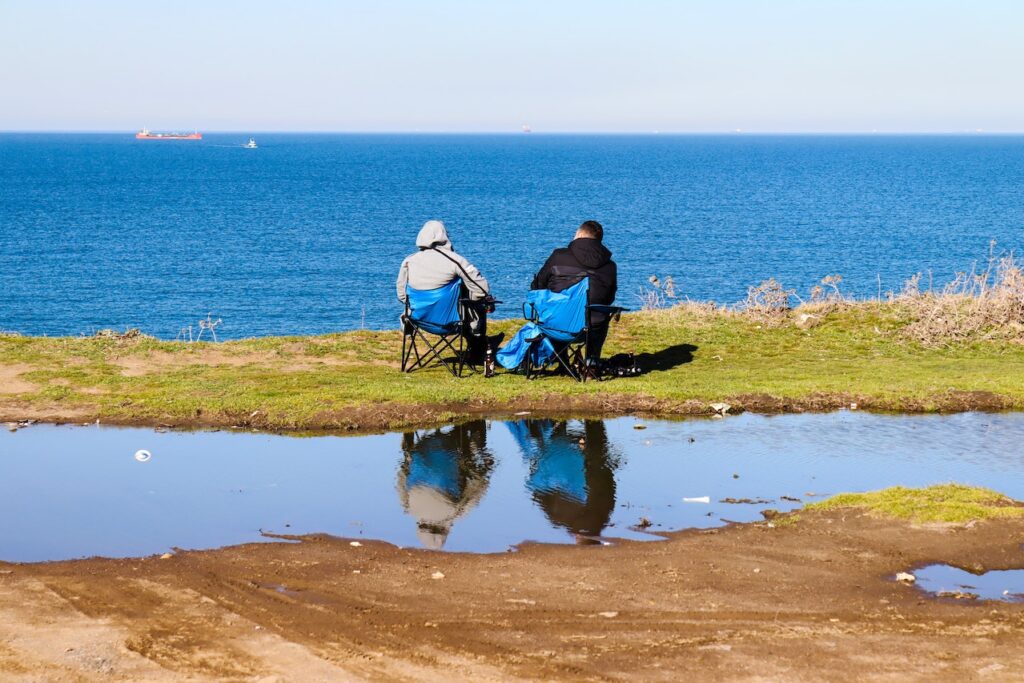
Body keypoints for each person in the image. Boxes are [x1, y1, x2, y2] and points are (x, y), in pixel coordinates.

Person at [396, 220, 501, 364]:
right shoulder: (454, 260)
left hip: (418, 320)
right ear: (443, 236)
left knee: (465, 302)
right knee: (476, 303)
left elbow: (402, 295)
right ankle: (479, 348)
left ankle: (481, 346)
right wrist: (471, 298)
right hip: (451, 321)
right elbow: (481, 289)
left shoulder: (409, 261)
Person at [531, 220, 617, 362]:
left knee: (558, 308)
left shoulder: (558, 256)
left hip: (557, 323)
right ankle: (591, 363)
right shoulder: (610, 265)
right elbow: (609, 297)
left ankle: (561, 360)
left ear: (579, 234)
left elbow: (538, 286)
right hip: (592, 325)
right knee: (600, 315)